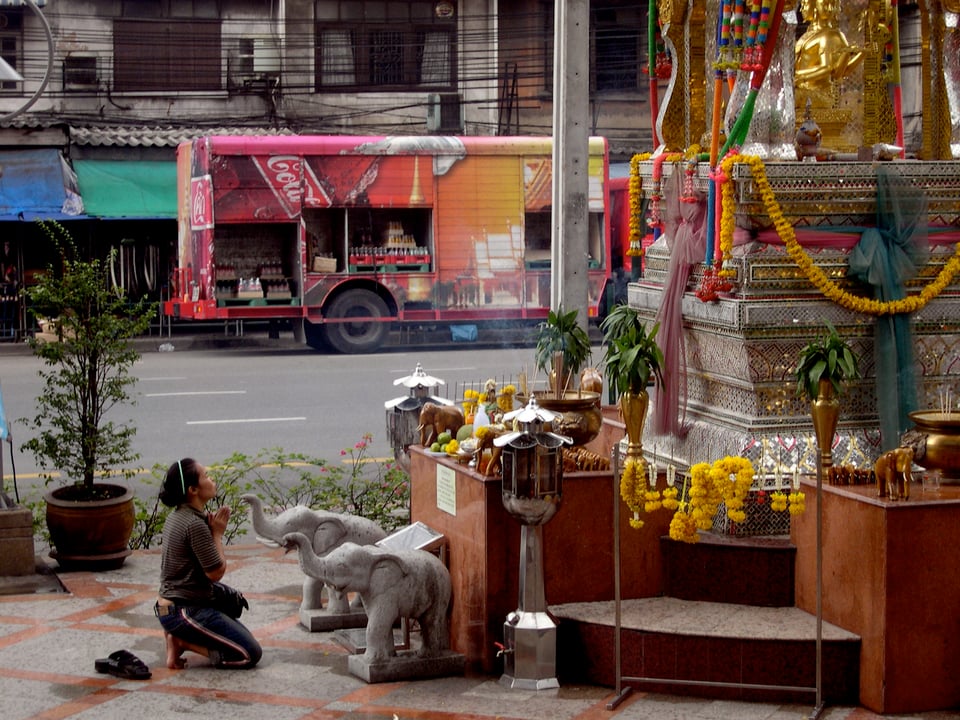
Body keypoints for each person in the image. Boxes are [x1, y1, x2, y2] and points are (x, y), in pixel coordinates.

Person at [155, 458, 262, 669]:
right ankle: (181, 641)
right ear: (193, 490)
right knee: (249, 654)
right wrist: (218, 534)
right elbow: (215, 573)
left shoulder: (179, 515)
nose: (211, 479)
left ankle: (180, 635)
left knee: (234, 607)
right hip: (182, 611)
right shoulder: (194, 524)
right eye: (206, 476)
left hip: (173, 605)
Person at [794, 0, 863, 108]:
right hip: (800, 89)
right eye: (826, 5)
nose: (830, 9)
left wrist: (800, 77)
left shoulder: (830, 35)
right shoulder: (808, 34)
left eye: (832, 5)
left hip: (817, 93)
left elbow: (832, 70)